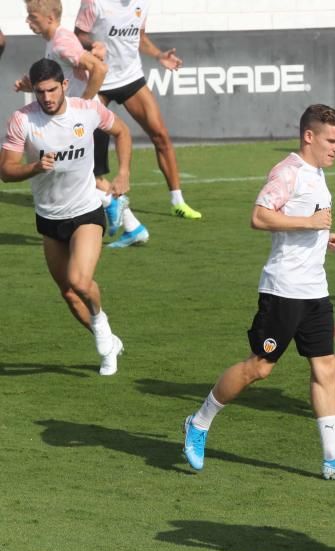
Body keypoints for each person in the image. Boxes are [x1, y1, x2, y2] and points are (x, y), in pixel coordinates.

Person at [181, 105, 335, 481]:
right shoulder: (288, 172)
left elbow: (302, 223)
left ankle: (333, 456)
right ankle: (199, 422)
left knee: (325, 369)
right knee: (260, 368)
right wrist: (309, 224)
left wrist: (322, 236)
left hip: (315, 290)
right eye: (331, 140)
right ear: (309, 136)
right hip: (283, 290)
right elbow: (259, 215)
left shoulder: (317, 173)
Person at [0, 57, 132, 375]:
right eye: (39, 92)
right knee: (69, 294)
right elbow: (6, 171)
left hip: (86, 210)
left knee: (79, 281)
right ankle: (108, 340)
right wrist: (34, 166)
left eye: (51, 90)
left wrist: (124, 172)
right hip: (48, 217)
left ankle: (102, 326)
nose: (46, 98)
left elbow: (122, 131)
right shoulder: (22, 120)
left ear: (64, 86)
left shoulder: (87, 110)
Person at [18, 0, 146, 248]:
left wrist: (84, 107)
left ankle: (113, 204)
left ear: (49, 18)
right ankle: (134, 227)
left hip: (80, 125)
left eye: (32, 16)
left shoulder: (62, 41)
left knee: (73, 177)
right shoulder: (56, 40)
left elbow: (98, 68)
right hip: (75, 124)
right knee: (87, 178)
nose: (28, 21)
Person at [75, 0, 202, 233]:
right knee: (89, 144)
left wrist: (159, 55)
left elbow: (140, 37)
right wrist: (94, 44)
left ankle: (178, 202)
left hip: (130, 78)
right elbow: (79, 35)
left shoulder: (143, 3)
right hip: (99, 80)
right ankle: (104, 199)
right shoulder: (94, 3)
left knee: (161, 135)